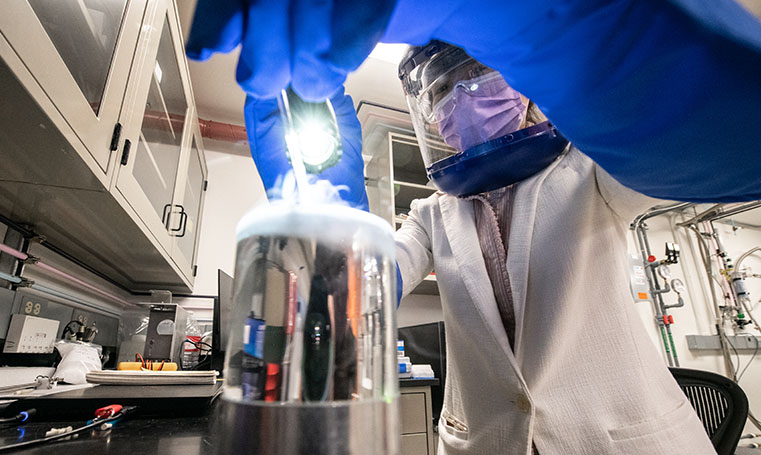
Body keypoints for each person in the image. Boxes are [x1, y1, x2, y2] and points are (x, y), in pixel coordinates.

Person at [186, 2, 761, 453]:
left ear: (520, 82)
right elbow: (367, 284)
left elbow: (729, 150)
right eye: (438, 92)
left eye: (475, 78)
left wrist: (586, 35)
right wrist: (327, 219)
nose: (456, 99)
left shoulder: (589, 172)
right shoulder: (433, 214)